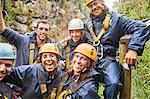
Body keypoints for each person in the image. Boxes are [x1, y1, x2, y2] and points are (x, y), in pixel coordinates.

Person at [84, 0, 149, 99]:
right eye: (90, 6)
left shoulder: (117, 19)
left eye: (95, 3)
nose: (94, 7)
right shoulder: (87, 24)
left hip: (108, 60)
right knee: (85, 88)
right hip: (90, 61)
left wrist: (133, 49)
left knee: (113, 83)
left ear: (102, 2)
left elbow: (141, 27)